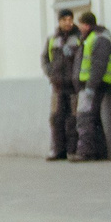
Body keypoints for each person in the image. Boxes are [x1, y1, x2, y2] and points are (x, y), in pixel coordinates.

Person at [76, 9, 111, 160]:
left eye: (80, 24)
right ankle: (99, 152)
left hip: (93, 85)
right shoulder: (92, 37)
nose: (79, 27)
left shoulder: (99, 38)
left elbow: (98, 65)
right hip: (91, 84)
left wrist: (90, 88)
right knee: (93, 117)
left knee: (85, 117)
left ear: (86, 25)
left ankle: (86, 152)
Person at [43, 9, 84, 161]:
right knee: (56, 118)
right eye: (64, 19)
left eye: (70, 19)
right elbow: (45, 58)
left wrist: (77, 78)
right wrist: (50, 73)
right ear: (59, 21)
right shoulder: (53, 39)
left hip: (73, 86)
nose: (68, 22)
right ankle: (57, 150)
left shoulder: (79, 38)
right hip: (57, 86)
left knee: (73, 118)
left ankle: (71, 150)